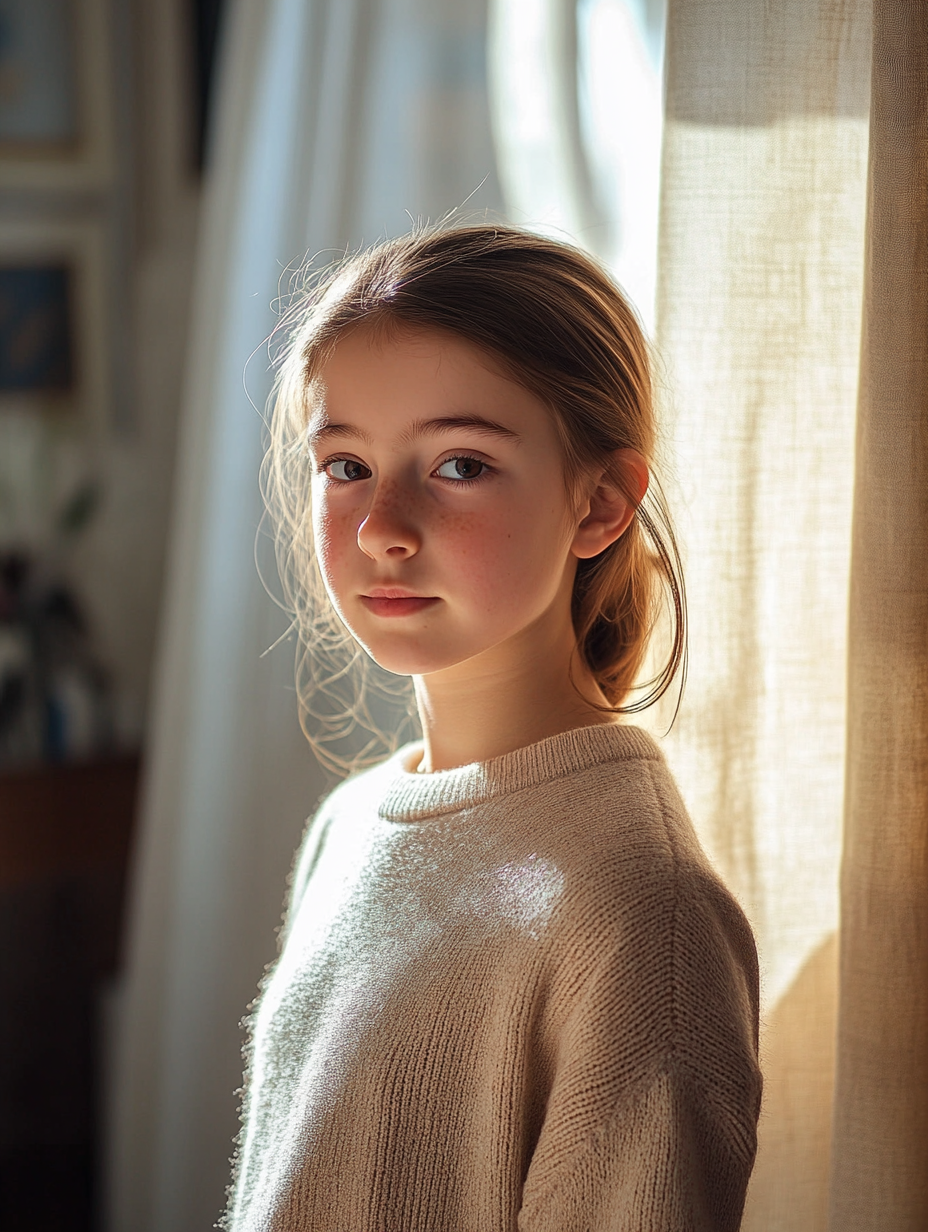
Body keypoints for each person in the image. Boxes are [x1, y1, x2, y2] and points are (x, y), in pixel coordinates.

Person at [223, 226, 762, 1232]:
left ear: (599, 503)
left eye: (460, 463)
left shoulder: (643, 914)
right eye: (345, 465)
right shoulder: (350, 824)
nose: (384, 522)